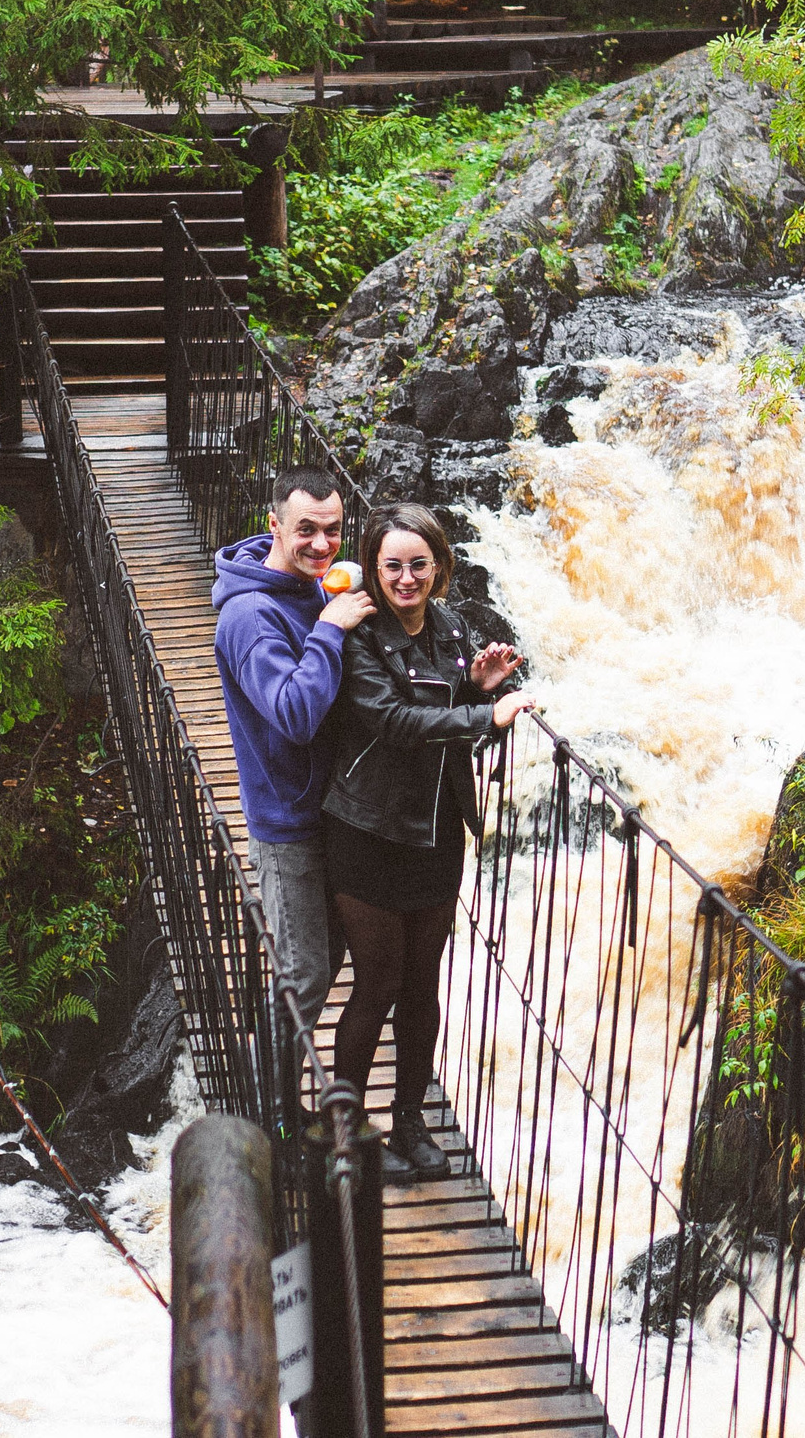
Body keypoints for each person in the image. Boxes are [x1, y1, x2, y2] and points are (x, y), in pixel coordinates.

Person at [321, 503, 538, 1178]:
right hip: (369, 829)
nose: (406, 577)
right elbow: (391, 719)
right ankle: (347, 1127)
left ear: (440, 567)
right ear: (375, 569)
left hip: (437, 829)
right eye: (393, 565)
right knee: (378, 979)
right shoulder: (361, 634)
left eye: (419, 564)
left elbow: (457, 724)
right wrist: (482, 709)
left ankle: (408, 1122)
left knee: (422, 986)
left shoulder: (450, 629)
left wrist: (481, 693)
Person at [212, 465, 375, 1037]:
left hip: (331, 808)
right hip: (288, 820)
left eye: (333, 530)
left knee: (326, 961)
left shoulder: (313, 582)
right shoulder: (249, 617)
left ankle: (277, 1102)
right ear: (274, 525)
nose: (322, 544)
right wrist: (330, 627)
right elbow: (295, 715)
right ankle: (266, 1112)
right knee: (304, 974)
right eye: (306, 530)